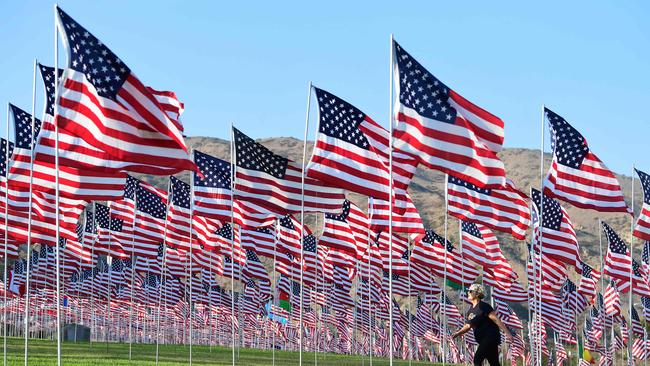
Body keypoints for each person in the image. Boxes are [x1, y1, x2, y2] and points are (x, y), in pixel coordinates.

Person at [451, 283, 512, 366]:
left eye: (470, 291)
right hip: (483, 340)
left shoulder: (484, 306)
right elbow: (468, 326)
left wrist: (507, 333)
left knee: (477, 360)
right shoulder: (470, 311)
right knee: (494, 363)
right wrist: (458, 333)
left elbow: (495, 319)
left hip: (490, 338)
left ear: (477, 294)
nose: (468, 293)